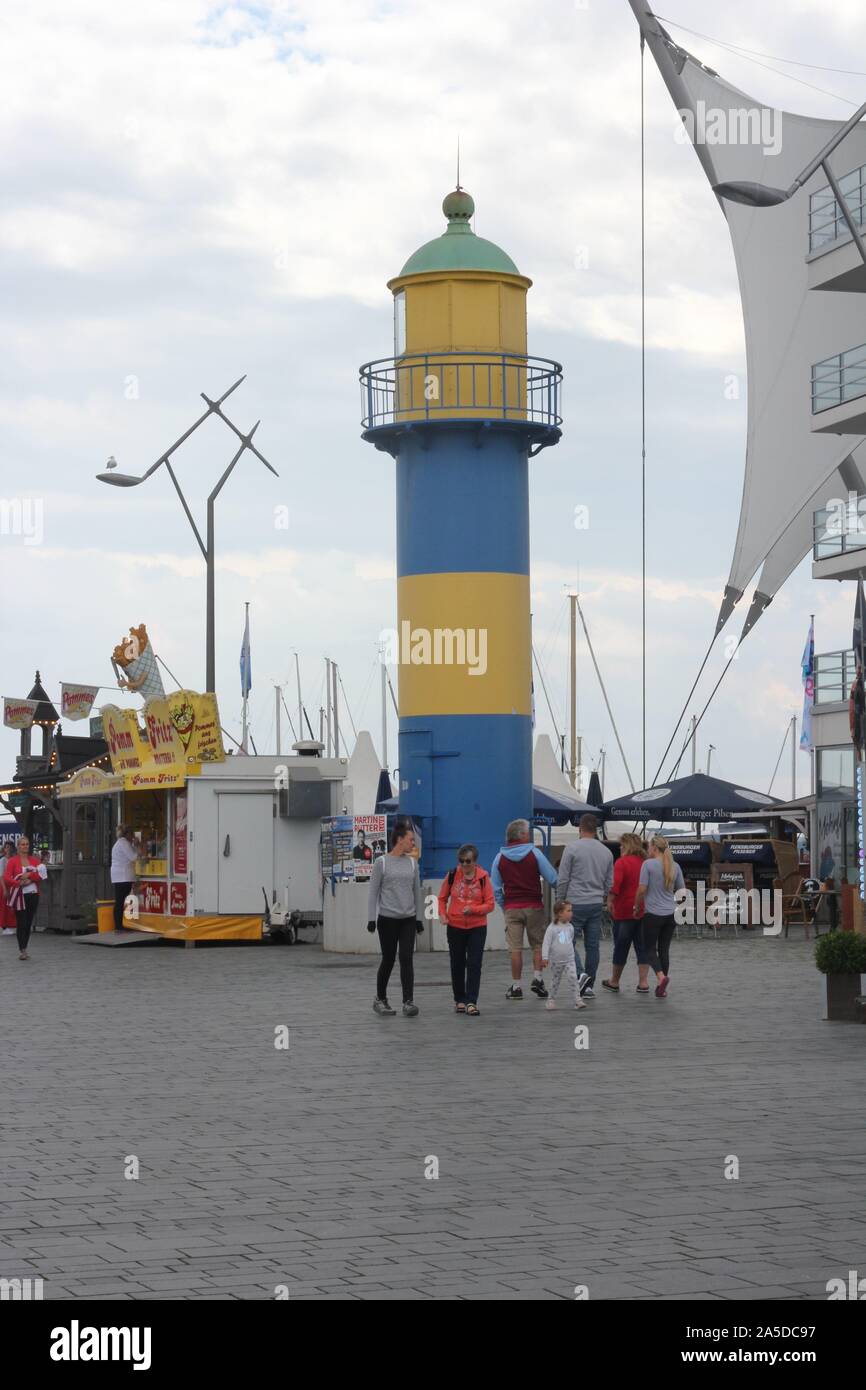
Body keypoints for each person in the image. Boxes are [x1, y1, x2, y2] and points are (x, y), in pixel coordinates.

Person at [491, 818, 558, 1001]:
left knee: (515, 948)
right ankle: (537, 979)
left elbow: (496, 888)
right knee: (538, 944)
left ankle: (516, 986)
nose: (530, 835)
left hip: (512, 907)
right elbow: (552, 877)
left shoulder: (499, 857)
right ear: (521, 835)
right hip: (534, 905)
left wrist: (505, 906)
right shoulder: (534, 853)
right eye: (528, 832)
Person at [367, 820, 424, 1017]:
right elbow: (373, 892)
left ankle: (408, 1001)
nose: (413, 843)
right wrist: (371, 918)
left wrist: (419, 918)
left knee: (406, 958)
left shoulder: (412, 863)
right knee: (389, 959)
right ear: (399, 840)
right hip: (387, 919)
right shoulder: (381, 863)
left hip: (407, 918)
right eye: (410, 840)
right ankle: (380, 998)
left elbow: (417, 891)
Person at [556, 813, 613, 999]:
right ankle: (589, 986)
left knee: (567, 942)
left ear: (580, 829)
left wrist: (559, 900)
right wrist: (602, 896)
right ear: (596, 829)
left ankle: (581, 975)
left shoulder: (571, 848)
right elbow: (608, 882)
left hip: (574, 904)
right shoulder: (606, 852)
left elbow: (563, 878)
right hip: (596, 903)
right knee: (592, 946)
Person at [437, 843, 495, 1016]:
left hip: (477, 927)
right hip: (455, 926)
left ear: (475, 861)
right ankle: (459, 999)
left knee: (474, 963)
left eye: (467, 861)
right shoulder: (453, 875)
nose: (464, 864)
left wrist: (474, 910)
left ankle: (471, 1001)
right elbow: (441, 898)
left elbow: (490, 904)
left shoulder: (483, 878)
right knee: (457, 963)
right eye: (461, 861)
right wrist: (442, 914)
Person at [633, 834, 685, 998]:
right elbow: (682, 892)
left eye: (648, 846)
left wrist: (636, 906)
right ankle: (661, 988)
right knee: (664, 950)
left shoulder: (648, 864)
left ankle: (661, 977)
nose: (647, 849)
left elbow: (642, 889)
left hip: (653, 914)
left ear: (654, 848)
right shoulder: (675, 866)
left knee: (649, 949)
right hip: (670, 915)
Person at [603, 833, 650, 994]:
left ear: (628, 845)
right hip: (643, 910)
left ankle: (614, 981)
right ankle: (643, 983)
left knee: (621, 947)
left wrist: (609, 901)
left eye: (622, 845)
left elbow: (615, 886)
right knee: (643, 947)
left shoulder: (621, 863)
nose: (620, 847)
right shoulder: (645, 863)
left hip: (624, 911)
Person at [3, 836, 47, 961]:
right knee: (21, 922)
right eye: (22, 844)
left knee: (28, 923)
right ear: (18, 846)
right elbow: (7, 877)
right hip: (19, 895)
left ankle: (25, 947)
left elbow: (42, 874)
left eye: (27, 844)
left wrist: (30, 877)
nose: (25, 846)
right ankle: (22, 950)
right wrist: (19, 883)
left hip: (33, 895)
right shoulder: (12, 861)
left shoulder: (34, 860)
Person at [541, 900, 587, 1011]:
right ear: (560, 913)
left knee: (573, 978)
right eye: (569, 910)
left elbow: (570, 941)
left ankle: (577, 1000)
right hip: (556, 961)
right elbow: (546, 943)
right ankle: (551, 999)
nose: (572, 913)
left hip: (569, 960)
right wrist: (545, 957)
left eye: (571, 910)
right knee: (555, 980)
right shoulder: (551, 928)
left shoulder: (570, 927)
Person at [111, 826, 140, 932]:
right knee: (120, 901)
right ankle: (119, 926)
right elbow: (134, 857)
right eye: (131, 834)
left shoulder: (119, 843)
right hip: (123, 876)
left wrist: (134, 845)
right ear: (127, 834)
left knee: (119, 900)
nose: (132, 836)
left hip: (119, 876)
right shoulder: (124, 843)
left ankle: (118, 925)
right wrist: (137, 846)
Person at [0, 841, 18, 936]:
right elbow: (1, 876)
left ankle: (11, 925)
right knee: (4, 906)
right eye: (6, 847)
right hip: (5, 885)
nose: (8, 849)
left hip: (12, 885)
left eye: (10, 847)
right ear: (4, 849)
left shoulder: (14, 859)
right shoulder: (2, 860)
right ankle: (5, 926)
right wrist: (4, 889)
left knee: (12, 906)